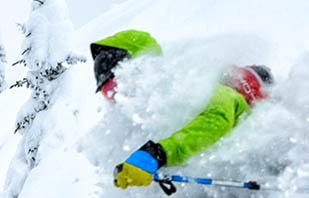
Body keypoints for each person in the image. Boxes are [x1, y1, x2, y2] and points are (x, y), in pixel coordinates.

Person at [90, 30, 274, 189]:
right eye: (108, 93)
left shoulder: (195, 82)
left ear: (138, 68)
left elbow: (215, 121)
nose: (117, 97)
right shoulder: (149, 109)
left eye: (115, 86)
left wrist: (158, 154)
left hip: (249, 179)